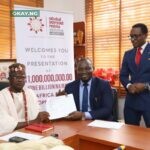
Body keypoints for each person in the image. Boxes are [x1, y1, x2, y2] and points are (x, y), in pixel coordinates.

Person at [0, 63, 50, 136]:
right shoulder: (1, 96)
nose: (20, 80)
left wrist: (43, 118)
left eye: (23, 77)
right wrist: (34, 121)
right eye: (16, 77)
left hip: (31, 132)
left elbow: (37, 113)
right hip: (10, 135)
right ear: (9, 79)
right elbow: (5, 125)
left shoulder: (30, 92)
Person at [120, 23, 150, 127]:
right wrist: (128, 86)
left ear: (145, 35)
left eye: (136, 36)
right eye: (131, 36)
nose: (132, 39)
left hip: (148, 100)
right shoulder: (128, 54)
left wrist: (146, 86)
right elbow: (123, 75)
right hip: (131, 102)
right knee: (130, 133)